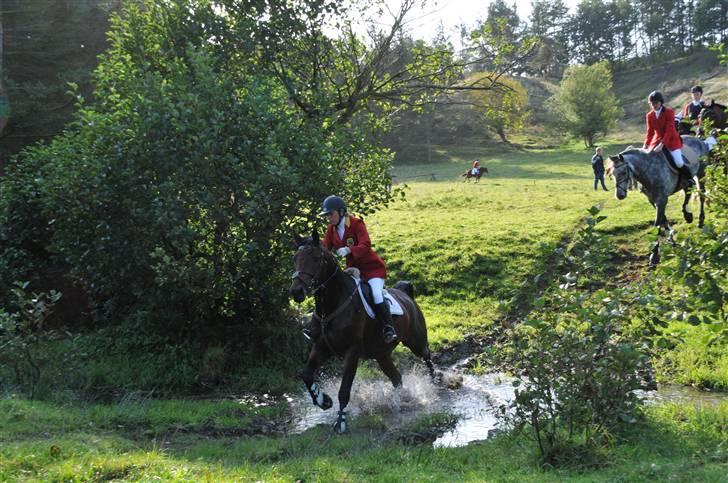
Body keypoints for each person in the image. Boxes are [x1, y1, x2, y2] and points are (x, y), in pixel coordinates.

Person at [320, 195, 398, 344]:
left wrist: (349, 251)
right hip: (353, 270)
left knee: (376, 294)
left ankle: (388, 328)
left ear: (341, 211)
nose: (329, 218)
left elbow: (366, 244)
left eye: (331, 214)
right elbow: (326, 248)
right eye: (327, 215)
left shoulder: (356, 223)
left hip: (372, 269)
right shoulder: (331, 229)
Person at [643, 91, 693, 186]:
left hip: (671, 140)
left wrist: (662, 144)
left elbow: (670, 129)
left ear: (661, 102)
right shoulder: (649, 115)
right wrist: (645, 145)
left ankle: (690, 179)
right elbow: (650, 132)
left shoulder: (669, 112)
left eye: (656, 103)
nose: (653, 105)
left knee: (678, 162)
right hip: (656, 141)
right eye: (652, 103)